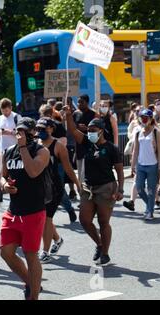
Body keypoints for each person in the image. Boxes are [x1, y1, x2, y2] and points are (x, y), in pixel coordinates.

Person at [65, 107, 124, 266]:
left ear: (101, 131)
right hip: (88, 187)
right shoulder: (86, 143)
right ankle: (99, 243)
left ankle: (105, 254)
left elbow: (119, 170)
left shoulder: (111, 148)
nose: (90, 132)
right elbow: (71, 129)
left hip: (106, 187)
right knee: (84, 220)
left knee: (103, 222)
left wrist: (120, 189)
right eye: (89, 129)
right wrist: (69, 115)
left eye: (93, 130)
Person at [0, 117, 49, 300]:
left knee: (30, 254)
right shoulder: (9, 152)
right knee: (6, 252)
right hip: (13, 211)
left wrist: (23, 149)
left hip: (33, 212)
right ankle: (32, 282)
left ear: (33, 133)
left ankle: (33, 295)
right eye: (18, 131)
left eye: (25, 132)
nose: (21, 135)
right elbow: (2, 176)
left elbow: (33, 171)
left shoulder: (41, 151)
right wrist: (5, 186)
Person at [35, 118, 81, 264]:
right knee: (42, 220)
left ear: (51, 129)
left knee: (47, 218)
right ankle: (58, 239)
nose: (40, 131)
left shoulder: (59, 146)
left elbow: (68, 168)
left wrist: (78, 185)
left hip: (54, 188)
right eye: (38, 129)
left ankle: (45, 252)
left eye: (43, 129)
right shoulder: (36, 145)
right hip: (39, 188)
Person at [131, 109, 160, 220]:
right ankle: (150, 206)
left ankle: (149, 211)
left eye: (146, 118)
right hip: (140, 165)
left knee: (151, 190)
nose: (144, 120)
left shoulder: (156, 132)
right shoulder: (137, 133)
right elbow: (135, 150)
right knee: (139, 188)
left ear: (151, 119)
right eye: (142, 118)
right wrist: (132, 165)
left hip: (152, 165)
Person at [73, 95, 98, 182]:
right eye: (78, 102)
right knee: (80, 172)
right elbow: (71, 128)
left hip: (90, 145)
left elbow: (98, 129)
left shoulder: (93, 114)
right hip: (79, 146)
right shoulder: (75, 114)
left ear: (87, 103)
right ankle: (82, 190)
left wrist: (87, 128)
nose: (79, 104)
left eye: (81, 102)